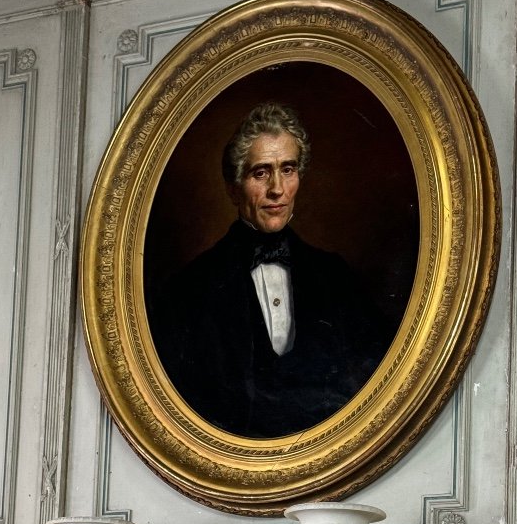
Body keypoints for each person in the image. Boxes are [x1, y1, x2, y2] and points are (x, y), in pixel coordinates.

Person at [149, 102, 389, 438]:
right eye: (261, 172)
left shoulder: (335, 277)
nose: (277, 189)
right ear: (233, 187)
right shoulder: (190, 289)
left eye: (288, 170)